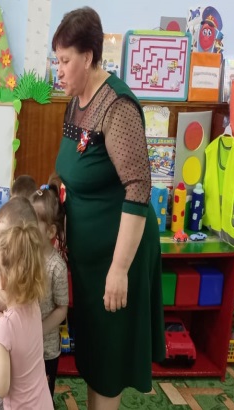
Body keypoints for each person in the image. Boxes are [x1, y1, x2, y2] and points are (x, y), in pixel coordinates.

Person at [52, 7, 164, 408]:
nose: (59, 71)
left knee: (109, 363)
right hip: (88, 258)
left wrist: (119, 269)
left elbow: (139, 188)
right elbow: (68, 170)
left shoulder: (117, 106)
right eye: (56, 61)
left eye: (65, 61)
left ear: (88, 57)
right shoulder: (77, 101)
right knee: (94, 354)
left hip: (117, 258)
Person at [0, 223, 54, 410]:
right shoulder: (33, 303)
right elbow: (5, 294)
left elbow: (1, 388)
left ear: (3, 279)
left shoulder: (4, 326)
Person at [30, 180, 69, 397]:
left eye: (34, 222)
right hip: (23, 345)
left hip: (46, 350)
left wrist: (38, 330)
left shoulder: (57, 267)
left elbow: (62, 309)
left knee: (43, 397)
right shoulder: (24, 256)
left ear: (50, 231)